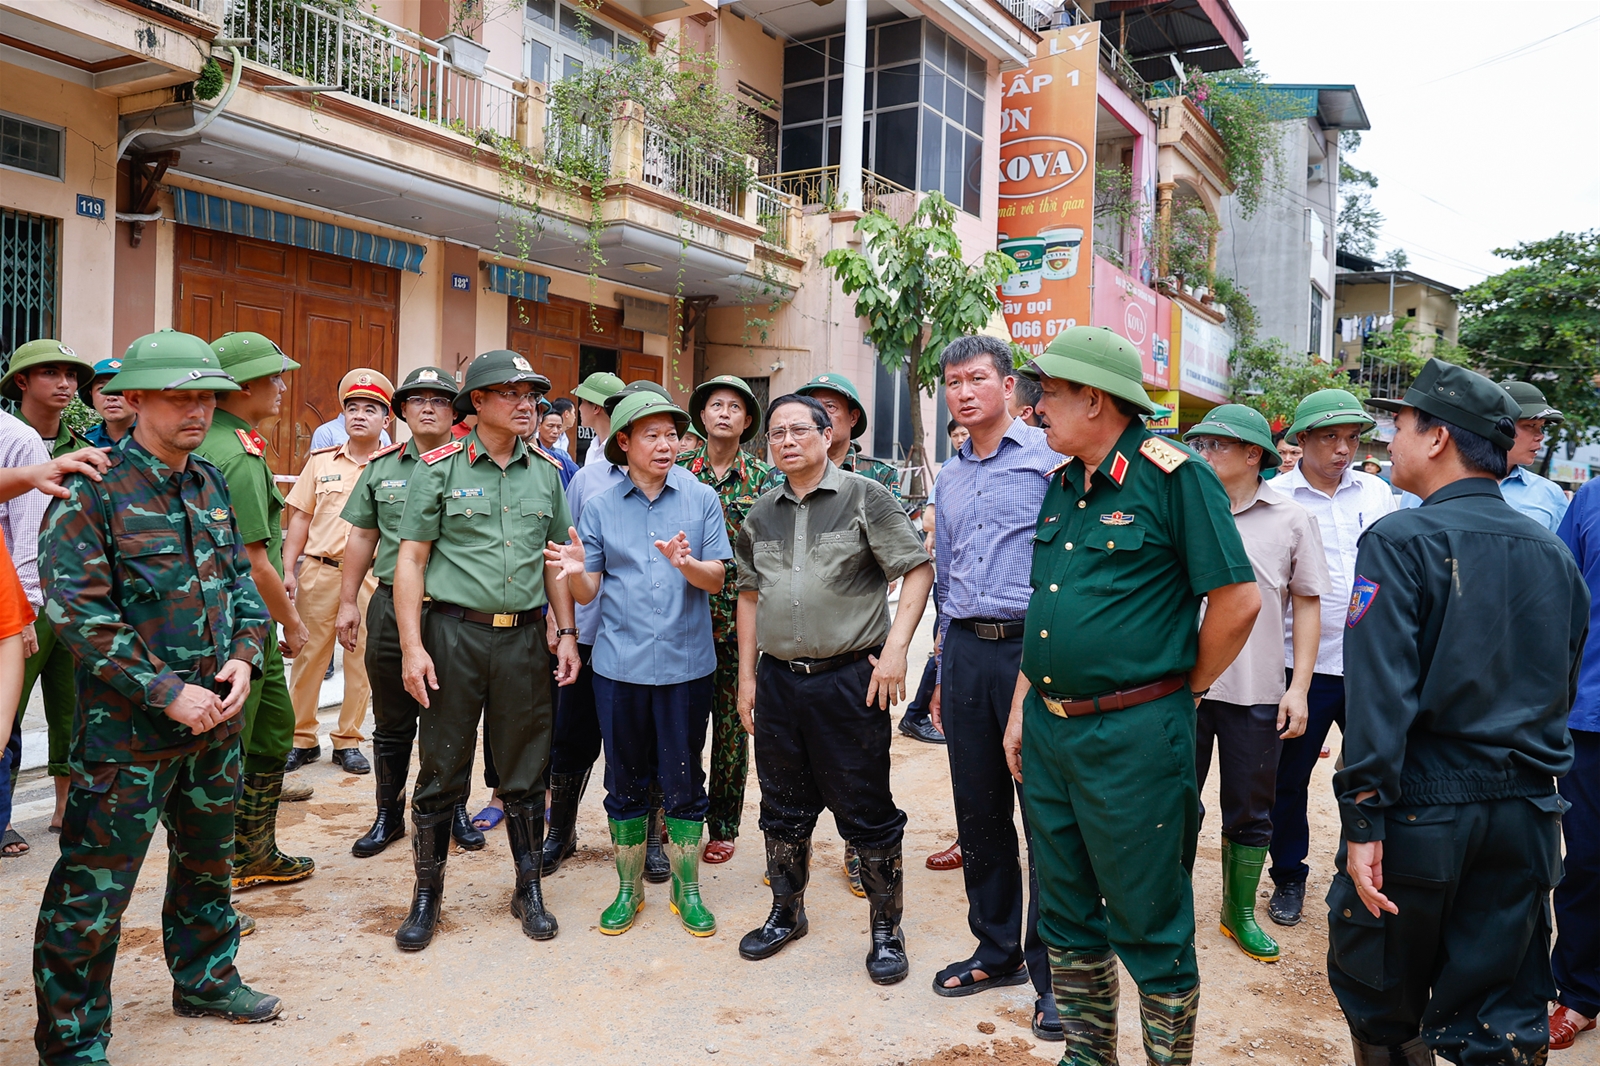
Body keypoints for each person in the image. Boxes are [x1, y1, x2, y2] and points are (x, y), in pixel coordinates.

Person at [1001, 326, 1259, 1065]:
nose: (1036, 406)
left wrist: (1183, 688)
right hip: (1053, 733)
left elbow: (1237, 602)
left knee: (1149, 918)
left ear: (1094, 398)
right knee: (1068, 910)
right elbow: (1053, 608)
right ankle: (1088, 1054)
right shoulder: (1063, 484)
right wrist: (1026, 703)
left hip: (1137, 735)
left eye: (1047, 393)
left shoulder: (1174, 478)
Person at [33, 330, 285, 1066]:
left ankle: (207, 979)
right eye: (178, 397)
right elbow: (78, 611)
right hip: (128, 737)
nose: (196, 410)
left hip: (214, 724)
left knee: (208, 866)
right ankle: (73, 1040)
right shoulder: (93, 487)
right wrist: (167, 692)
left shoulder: (206, 481)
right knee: (92, 894)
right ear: (135, 399)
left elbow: (241, 584)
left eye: (205, 396)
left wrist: (242, 660)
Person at [1327, 358, 1587, 1065]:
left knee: (1384, 1001)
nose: (1391, 438)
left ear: (1437, 437)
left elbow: (1378, 698)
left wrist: (1363, 821)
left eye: (1401, 424)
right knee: (1500, 1019)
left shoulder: (1401, 540)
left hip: (1422, 814)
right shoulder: (1553, 554)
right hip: (1527, 817)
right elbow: (1558, 687)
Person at [734, 393, 934, 984]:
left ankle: (884, 928)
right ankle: (786, 911)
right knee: (781, 805)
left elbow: (916, 567)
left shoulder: (865, 497)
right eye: (776, 434)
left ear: (829, 434)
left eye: (800, 429)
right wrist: (747, 677)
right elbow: (749, 594)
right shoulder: (759, 513)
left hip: (849, 681)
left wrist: (896, 649)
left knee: (866, 808)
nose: (787, 440)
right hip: (778, 681)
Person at [392, 350, 580, 950]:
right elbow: (411, 560)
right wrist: (412, 647)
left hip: (525, 638)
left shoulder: (548, 472)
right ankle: (427, 897)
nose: (527, 404)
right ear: (477, 402)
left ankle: (528, 889)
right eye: (512, 393)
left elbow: (556, 562)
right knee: (442, 766)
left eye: (532, 395)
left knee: (526, 770)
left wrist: (566, 629)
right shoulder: (440, 467)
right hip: (454, 635)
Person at [546, 392, 731, 937]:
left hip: (686, 665)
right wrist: (577, 569)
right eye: (651, 435)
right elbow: (587, 590)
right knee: (623, 778)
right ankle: (627, 890)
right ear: (622, 443)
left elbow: (718, 578)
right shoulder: (600, 506)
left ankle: (686, 887)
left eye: (672, 435)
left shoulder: (700, 499)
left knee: (683, 777)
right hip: (618, 665)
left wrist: (688, 564)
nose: (665, 445)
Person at [923, 336, 1065, 1039]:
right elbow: (946, 581)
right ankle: (997, 948)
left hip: (1032, 654)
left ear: (1011, 389)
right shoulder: (948, 474)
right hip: (968, 655)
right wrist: (943, 670)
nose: (965, 392)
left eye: (978, 378)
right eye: (953, 382)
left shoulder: (1051, 463)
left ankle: (1057, 974)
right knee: (978, 810)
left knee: (1043, 816)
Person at [1183, 404, 1328, 964]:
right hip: (1184, 688)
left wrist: (1300, 687)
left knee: (1251, 807)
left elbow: (1308, 605)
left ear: (1253, 456)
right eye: (1199, 443)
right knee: (1173, 801)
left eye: (1216, 445)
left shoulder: (1291, 519)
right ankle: (1166, 907)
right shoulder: (1186, 508)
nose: (1203, 452)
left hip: (1257, 691)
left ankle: (1237, 912)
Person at [1263, 388, 1396, 926]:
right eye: (1329, 437)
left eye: (1351, 438)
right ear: (1301, 440)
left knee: (1372, 775)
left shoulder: (1378, 494)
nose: (1343, 448)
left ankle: (1356, 878)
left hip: (1371, 663)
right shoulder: (1275, 496)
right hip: (1301, 666)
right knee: (1287, 779)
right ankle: (1289, 877)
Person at [195, 331, 317, 892]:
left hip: (214, 619)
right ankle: (230, 865)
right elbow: (254, 562)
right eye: (273, 377)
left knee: (270, 729)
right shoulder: (237, 454)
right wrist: (292, 624)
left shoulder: (210, 441)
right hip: (239, 623)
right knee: (242, 740)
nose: (282, 387)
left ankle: (252, 854)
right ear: (242, 387)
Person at [539, 379, 670, 876]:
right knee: (571, 738)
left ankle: (651, 840)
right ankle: (561, 832)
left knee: (647, 741)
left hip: (641, 642)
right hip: (588, 634)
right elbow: (563, 557)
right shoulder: (588, 481)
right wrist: (561, 622)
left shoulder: (676, 485)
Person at [335, 367, 464, 859]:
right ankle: (388, 813)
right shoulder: (383, 465)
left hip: (454, 611)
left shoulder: (471, 466)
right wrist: (349, 602)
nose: (428, 407)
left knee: (452, 718)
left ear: (455, 411)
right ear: (402, 412)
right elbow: (364, 535)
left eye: (439, 399)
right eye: (417, 400)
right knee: (391, 720)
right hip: (390, 605)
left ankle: (454, 811)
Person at [794, 371, 903, 897]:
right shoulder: (784, 478)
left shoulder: (876, 478)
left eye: (831, 408)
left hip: (856, 648)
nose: (820, 415)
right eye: (810, 405)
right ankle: (797, 854)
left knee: (859, 762)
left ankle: (861, 851)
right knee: (796, 762)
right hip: (795, 650)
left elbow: (901, 561)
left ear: (851, 418)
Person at [677, 374, 775, 865]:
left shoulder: (764, 480)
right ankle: (682, 814)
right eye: (715, 404)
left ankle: (724, 825)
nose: (723, 413)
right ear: (701, 415)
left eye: (735, 407)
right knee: (683, 726)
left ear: (746, 422)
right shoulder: (677, 471)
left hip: (739, 626)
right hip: (685, 620)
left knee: (734, 731)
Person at [2, 339, 96, 837]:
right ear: (21, 381)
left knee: (71, 704)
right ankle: (6, 816)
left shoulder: (82, 441)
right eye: (51, 374)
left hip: (72, 596)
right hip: (22, 598)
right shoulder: (12, 440)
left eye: (71, 375)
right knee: (7, 708)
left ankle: (65, 807)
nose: (65, 384)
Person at [0, 446, 113, 857]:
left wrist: (31, 473)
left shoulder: (26, 443)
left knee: (69, 709)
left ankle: (63, 806)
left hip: (47, 600)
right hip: (32, 605)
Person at [281, 369, 394, 776]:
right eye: (352, 408)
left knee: (362, 660)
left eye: (370, 409)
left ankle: (348, 740)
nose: (359, 415)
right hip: (320, 571)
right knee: (309, 654)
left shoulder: (396, 465)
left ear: (387, 419)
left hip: (372, 577)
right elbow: (300, 517)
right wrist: (288, 569)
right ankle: (301, 737)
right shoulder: (321, 462)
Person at [1552, 478, 1600, 1051]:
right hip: (1591, 715)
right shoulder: (1589, 499)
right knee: (1587, 858)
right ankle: (1581, 992)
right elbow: (1561, 597)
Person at [1496, 380, 1570, 532]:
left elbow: (1564, 553)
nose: (1540, 436)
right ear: (1500, 426)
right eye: (1530, 425)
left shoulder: (1550, 493)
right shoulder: (1449, 481)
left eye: (1541, 427)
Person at [82, 358, 136, 448]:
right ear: (91, 396)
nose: (111, 397)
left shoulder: (157, 437)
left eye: (120, 388)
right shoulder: (87, 442)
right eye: (102, 389)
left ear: (137, 395)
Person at [573, 371, 624, 466]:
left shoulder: (621, 452)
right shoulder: (593, 447)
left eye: (582, 402)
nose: (579, 408)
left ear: (596, 408)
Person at [536, 402, 580, 487]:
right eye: (550, 426)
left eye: (559, 427)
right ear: (539, 426)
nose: (555, 431)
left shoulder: (564, 456)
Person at [308, 411, 392, 451]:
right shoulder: (325, 432)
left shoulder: (382, 435)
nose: (359, 416)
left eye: (369, 411)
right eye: (353, 409)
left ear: (385, 421)